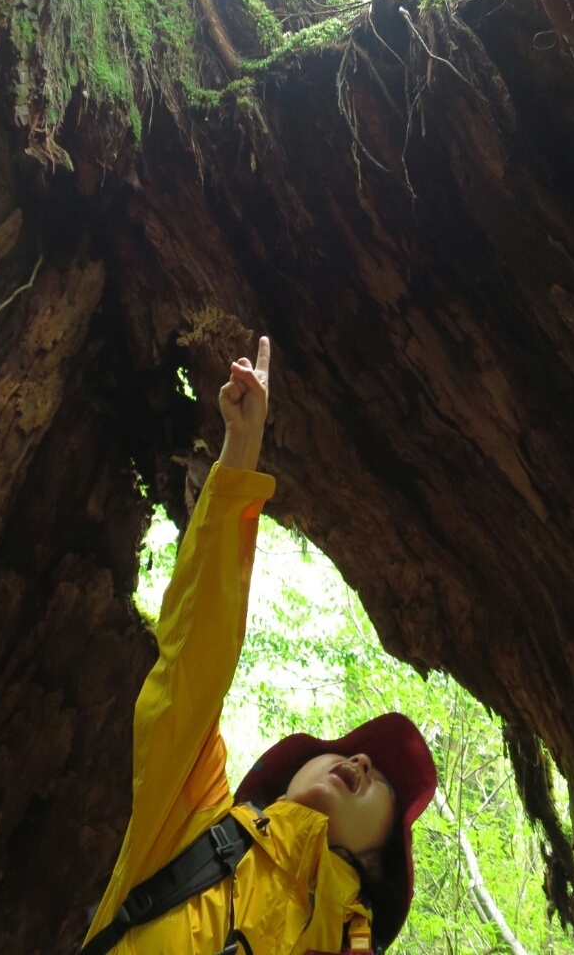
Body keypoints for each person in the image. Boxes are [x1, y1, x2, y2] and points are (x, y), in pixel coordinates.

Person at [83, 337, 436, 955]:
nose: (357, 762)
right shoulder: (188, 820)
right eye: (351, 754)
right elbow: (196, 656)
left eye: (375, 777)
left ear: (377, 862)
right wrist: (240, 454)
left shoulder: (342, 943)